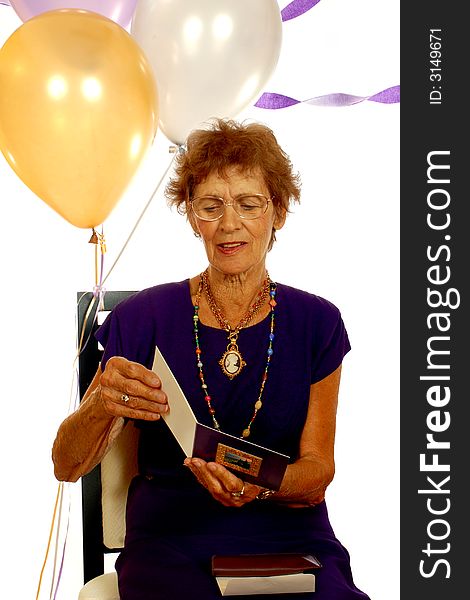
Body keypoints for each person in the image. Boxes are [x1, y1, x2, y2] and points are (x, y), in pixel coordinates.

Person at [52, 118, 370, 600]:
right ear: (191, 215)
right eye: (210, 206)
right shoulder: (142, 318)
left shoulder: (317, 322)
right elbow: (66, 466)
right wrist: (101, 406)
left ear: (278, 212)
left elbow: (317, 472)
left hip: (287, 533)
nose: (228, 224)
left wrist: (259, 488)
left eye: (248, 204)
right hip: (171, 535)